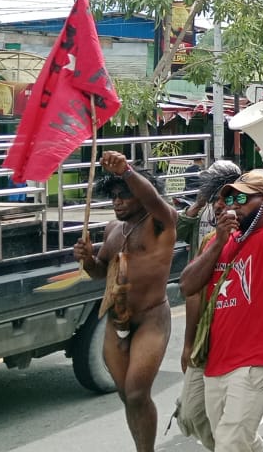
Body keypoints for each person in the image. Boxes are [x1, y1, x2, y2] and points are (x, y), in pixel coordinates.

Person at [178, 149, 263, 452]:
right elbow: (187, 286)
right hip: (217, 362)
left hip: (255, 361)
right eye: (230, 199)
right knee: (224, 437)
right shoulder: (221, 241)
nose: (233, 205)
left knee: (230, 443)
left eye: (242, 199)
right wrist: (219, 241)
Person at [72, 151, 177, 452]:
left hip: (151, 318)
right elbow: (102, 273)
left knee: (136, 394)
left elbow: (154, 200)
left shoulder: (161, 222)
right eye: (114, 196)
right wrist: (88, 260)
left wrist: (126, 171)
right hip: (116, 320)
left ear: (140, 196)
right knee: (127, 396)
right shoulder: (112, 230)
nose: (117, 202)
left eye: (125, 195)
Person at [174, 160, 243, 449]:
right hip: (201, 291)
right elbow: (178, 231)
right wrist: (200, 201)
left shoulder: (243, 216)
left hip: (232, 307)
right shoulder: (204, 212)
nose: (219, 202)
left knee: (229, 416)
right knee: (191, 414)